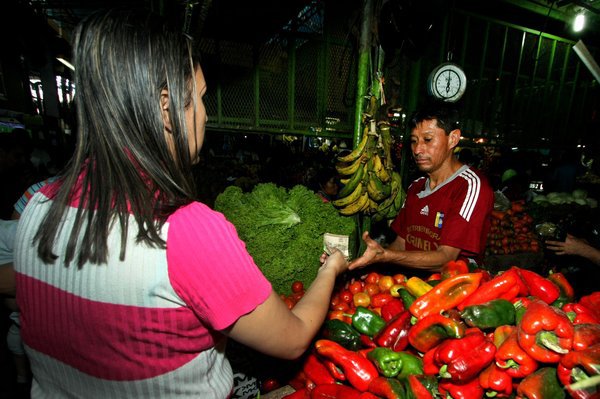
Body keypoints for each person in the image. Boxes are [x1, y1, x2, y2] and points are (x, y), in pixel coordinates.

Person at [13, 8, 348, 399]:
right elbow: (292, 339)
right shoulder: (186, 231)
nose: (206, 116)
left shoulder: (36, 208)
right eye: (200, 99)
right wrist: (331, 270)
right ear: (166, 107)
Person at [349, 101, 494, 272]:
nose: (417, 149)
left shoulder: (470, 186)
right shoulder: (415, 187)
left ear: (453, 139)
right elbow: (401, 243)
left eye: (428, 139)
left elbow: (446, 259)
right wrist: (375, 266)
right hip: (409, 286)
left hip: (452, 291)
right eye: (413, 141)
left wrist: (386, 256)